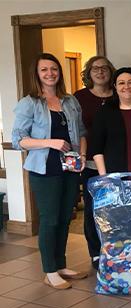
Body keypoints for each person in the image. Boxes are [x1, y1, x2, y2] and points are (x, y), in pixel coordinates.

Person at [11, 53, 88, 289]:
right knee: (50, 220)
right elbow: (18, 140)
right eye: (44, 69)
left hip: (71, 168)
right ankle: (49, 270)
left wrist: (83, 156)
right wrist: (51, 142)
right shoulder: (30, 102)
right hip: (45, 169)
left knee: (65, 218)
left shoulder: (70, 100)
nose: (50, 73)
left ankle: (61, 264)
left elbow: (82, 132)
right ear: (37, 74)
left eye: (54, 69)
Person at [73, 56, 116, 270]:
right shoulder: (78, 98)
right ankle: (95, 252)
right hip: (89, 161)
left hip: (116, 161)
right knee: (93, 209)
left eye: (104, 68)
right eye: (95, 69)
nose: (100, 72)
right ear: (88, 73)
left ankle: (116, 248)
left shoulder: (119, 94)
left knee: (116, 208)